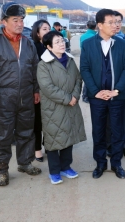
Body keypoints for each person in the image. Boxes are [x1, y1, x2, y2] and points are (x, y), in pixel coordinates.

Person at [0, 2, 42, 186]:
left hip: (26, 96)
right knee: (3, 135)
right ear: (4, 21)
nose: (20, 23)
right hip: (3, 98)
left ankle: (25, 163)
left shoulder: (28, 43)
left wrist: (36, 90)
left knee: (26, 132)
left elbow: (34, 68)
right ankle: (2, 169)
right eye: (15, 20)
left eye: (22, 20)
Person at [80, 8, 125, 179]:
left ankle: (116, 164)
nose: (115, 25)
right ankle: (100, 163)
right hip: (98, 98)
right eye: (110, 22)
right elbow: (85, 69)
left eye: (116, 22)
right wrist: (95, 92)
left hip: (117, 97)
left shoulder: (123, 44)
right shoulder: (88, 44)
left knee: (118, 132)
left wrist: (116, 90)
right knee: (99, 131)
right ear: (100, 25)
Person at [37, 31, 86, 185]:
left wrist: (75, 96)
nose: (62, 44)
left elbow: (78, 79)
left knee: (69, 136)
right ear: (49, 46)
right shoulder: (43, 64)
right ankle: (54, 171)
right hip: (53, 108)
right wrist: (67, 98)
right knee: (54, 139)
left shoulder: (70, 61)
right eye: (57, 42)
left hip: (71, 105)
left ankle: (66, 167)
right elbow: (47, 87)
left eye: (62, 40)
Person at [104, 10, 125, 158]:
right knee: (108, 119)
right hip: (106, 86)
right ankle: (109, 146)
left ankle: (124, 145)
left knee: (122, 118)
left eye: (119, 21)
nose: (116, 25)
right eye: (113, 22)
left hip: (122, 87)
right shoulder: (103, 39)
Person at [31, 19, 51, 162]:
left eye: (49, 29)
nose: (47, 31)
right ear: (37, 33)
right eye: (44, 29)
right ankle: (37, 149)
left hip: (52, 91)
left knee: (51, 120)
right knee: (37, 121)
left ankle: (49, 145)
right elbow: (31, 72)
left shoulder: (53, 47)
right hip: (39, 90)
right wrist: (35, 90)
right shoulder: (33, 48)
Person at [80, 20, 97, 103]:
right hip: (95, 60)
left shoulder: (82, 37)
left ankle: (85, 96)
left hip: (85, 59)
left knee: (87, 77)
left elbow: (82, 49)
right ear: (96, 27)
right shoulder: (97, 36)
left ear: (87, 26)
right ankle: (89, 95)